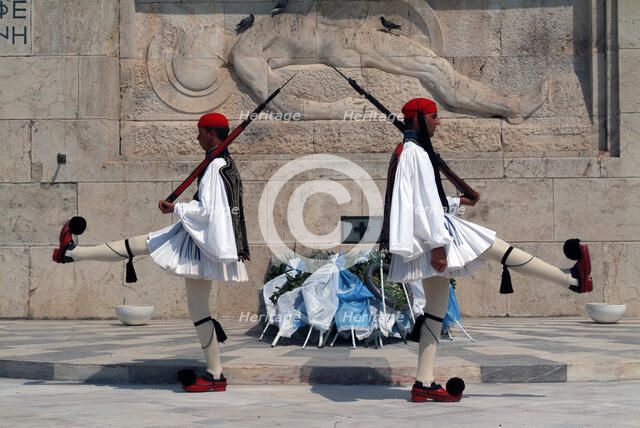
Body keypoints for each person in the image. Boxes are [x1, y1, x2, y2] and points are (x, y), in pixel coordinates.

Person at [381, 98, 592, 402]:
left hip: (425, 236)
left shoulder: (409, 152)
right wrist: (438, 246)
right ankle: (572, 278)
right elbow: (422, 205)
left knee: (435, 312)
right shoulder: (417, 155)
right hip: (432, 237)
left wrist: (456, 203)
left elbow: (418, 202)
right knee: (494, 245)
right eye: (434, 117)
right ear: (420, 119)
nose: (439, 122)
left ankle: (423, 384)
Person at [52, 113, 250, 393]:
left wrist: (176, 208)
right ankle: (73, 252)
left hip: (200, 242)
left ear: (211, 134)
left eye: (199, 132)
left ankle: (216, 375)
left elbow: (209, 211)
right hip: (200, 240)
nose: (197, 137)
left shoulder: (217, 166)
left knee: (197, 308)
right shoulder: (222, 164)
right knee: (142, 245)